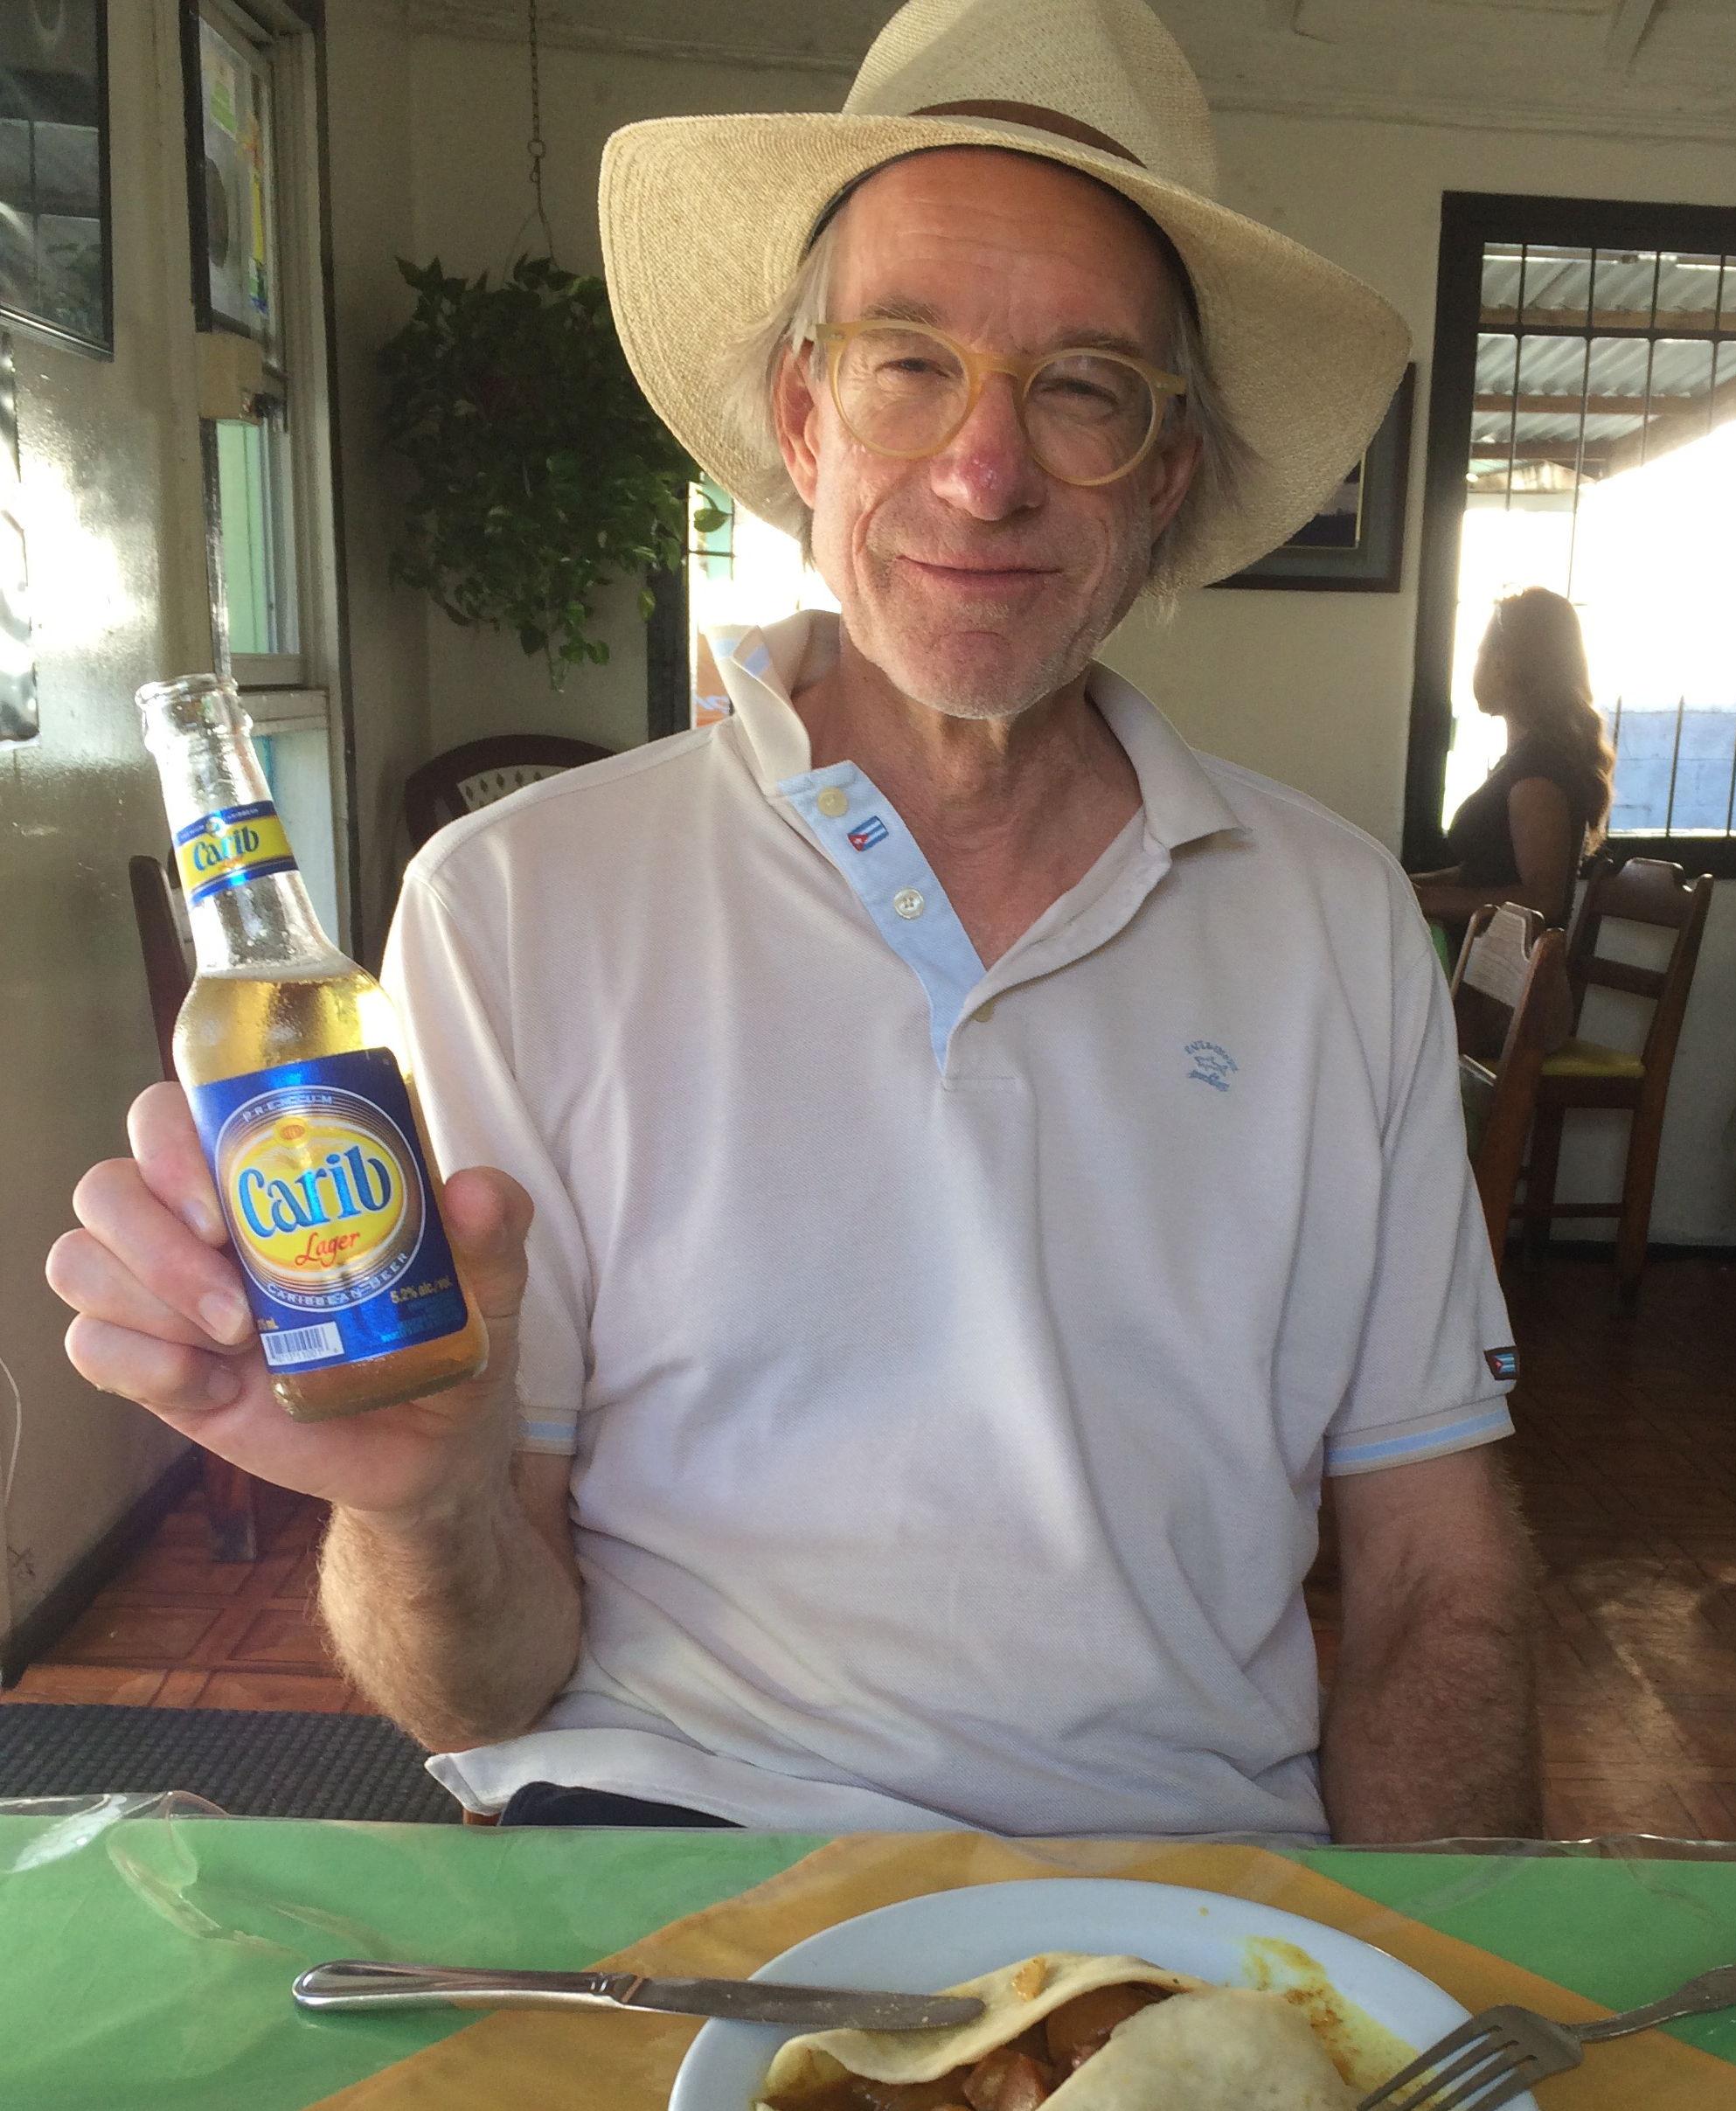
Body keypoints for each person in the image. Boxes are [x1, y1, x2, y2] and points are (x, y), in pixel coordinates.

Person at [50, 0, 1539, 1844]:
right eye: (908, 362)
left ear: (1162, 479)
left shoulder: (1332, 926)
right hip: (650, 1848)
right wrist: (419, 1506)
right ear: (798, 414)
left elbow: (1432, 1577)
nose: (983, 474)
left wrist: (1429, 1982)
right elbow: (479, 1686)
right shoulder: (514, 903)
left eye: (1081, 388)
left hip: (1171, 1876)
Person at [1411, 587, 1615, 942]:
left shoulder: (1537, 774)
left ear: (1503, 663)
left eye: (1479, 654)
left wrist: (1425, 899)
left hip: (1505, 987)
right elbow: (1484, 873)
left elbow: (1543, 901)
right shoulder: (1526, 761)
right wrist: (1407, 885)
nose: (1474, 666)